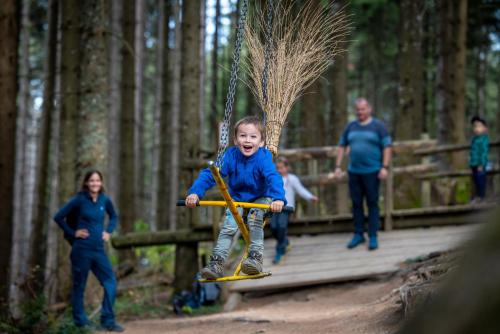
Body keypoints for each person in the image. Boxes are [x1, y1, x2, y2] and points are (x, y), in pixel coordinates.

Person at [185, 116, 285, 279]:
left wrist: (278, 199)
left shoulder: (263, 157)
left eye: (253, 136)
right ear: (235, 139)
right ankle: (216, 263)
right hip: (237, 198)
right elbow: (211, 175)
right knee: (228, 227)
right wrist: (195, 192)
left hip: (261, 197)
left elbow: (273, 177)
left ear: (261, 142)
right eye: (243, 135)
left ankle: (255, 259)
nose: (247, 140)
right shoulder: (230, 156)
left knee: (254, 219)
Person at [53, 170, 124, 332]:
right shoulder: (79, 200)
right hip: (81, 250)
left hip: (98, 250)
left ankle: (107, 320)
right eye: (91, 181)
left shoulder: (104, 200)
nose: (95, 184)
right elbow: (58, 217)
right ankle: (81, 323)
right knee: (79, 286)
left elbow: (113, 216)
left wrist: (108, 231)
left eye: (97, 181)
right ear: (86, 183)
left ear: (101, 182)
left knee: (110, 282)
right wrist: (73, 233)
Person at [331, 98, 392, 251]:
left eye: (363, 109)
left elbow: (387, 147)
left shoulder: (379, 126)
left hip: (372, 172)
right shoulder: (350, 127)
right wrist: (338, 166)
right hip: (354, 172)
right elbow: (341, 146)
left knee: (372, 203)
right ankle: (358, 234)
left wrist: (384, 167)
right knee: (356, 204)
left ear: (369, 109)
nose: (360, 112)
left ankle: (373, 236)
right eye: (358, 109)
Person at [270, 157, 318, 264]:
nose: (279, 170)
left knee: (281, 226)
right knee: (273, 227)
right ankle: (285, 242)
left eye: (282, 168)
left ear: (287, 168)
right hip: (274, 207)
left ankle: (280, 251)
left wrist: (311, 197)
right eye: (277, 168)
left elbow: (301, 190)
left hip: (287, 207)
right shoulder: (273, 178)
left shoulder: (292, 179)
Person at [469, 116, 489, 202]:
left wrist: (481, 163)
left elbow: (484, 152)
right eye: (475, 126)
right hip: (473, 164)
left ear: (484, 128)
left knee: (481, 180)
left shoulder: (484, 139)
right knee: (475, 181)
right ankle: (477, 197)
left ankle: (481, 197)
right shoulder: (474, 139)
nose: (477, 129)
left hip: (480, 164)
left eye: (479, 126)